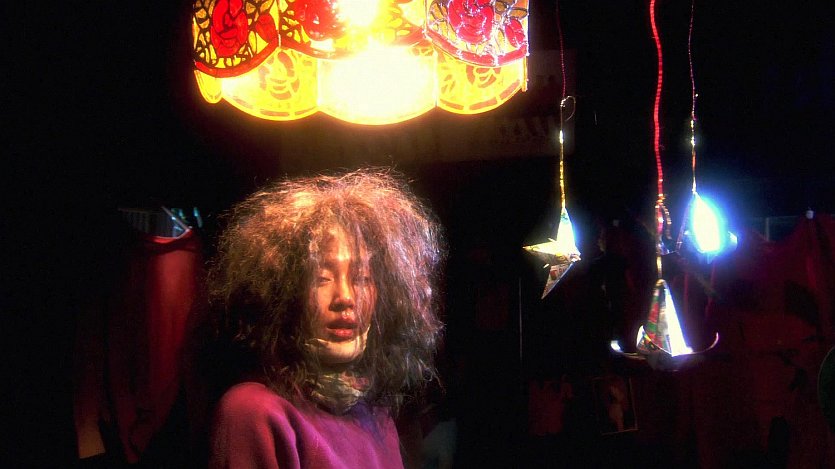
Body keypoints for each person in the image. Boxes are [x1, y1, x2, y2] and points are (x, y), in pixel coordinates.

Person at [204, 168, 444, 468]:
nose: (345, 297)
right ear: (284, 291)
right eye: (322, 278)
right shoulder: (253, 412)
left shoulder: (375, 415)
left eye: (361, 278)